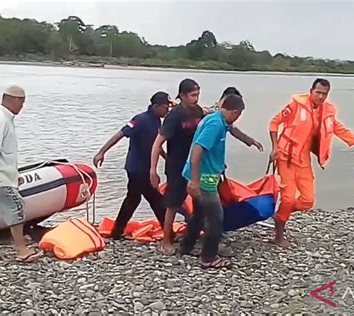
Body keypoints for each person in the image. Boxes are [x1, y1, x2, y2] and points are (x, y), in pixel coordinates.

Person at [150, 79, 262, 256]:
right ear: (183, 96)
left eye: (198, 94)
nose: (196, 98)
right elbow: (158, 143)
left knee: (200, 208)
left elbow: (228, 126)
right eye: (193, 95)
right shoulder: (175, 116)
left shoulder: (200, 112)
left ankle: (193, 242)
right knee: (174, 203)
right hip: (179, 164)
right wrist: (153, 170)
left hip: (199, 165)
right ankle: (166, 241)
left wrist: (249, 141)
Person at [269, 78, 354, 248]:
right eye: (318, 92)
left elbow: (340, 130)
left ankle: (280, 214)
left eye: (324, 94)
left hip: (303, 160)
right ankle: (279, 235)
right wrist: (274, 148)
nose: (321, 97)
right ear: (311, 91)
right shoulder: (295, 106)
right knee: (287, 197)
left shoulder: (326, 113)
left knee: (308, 200)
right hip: (286, 157)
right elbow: (274, 122)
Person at [93, 92, 173, 239]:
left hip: (145, 168)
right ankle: (170, 234)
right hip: (137, 168)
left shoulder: (156, 121)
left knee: (133, 199)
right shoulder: (141, 119)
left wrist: (167, 158)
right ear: (156, 106)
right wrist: (101, 152)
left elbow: (156, 144)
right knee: (155, 199)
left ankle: (116, 232)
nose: (168, 110)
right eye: (166, 107)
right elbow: (120, 134)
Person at [180, 94, 246, 268]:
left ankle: (186, 246)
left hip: (206, 173)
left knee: (199, 214)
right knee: (216, 218)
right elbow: (197, 150)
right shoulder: (216, 124)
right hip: (204, 176)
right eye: (238, 115)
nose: (237, 119)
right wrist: (194, 181)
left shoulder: (216, 119)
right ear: (234, 112)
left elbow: (210, 149)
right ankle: (208, 258)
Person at [0, 85, 43, 262]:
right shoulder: (1, 119)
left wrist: (14, 175)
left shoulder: (5, 118)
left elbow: (6, 153)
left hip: (5, 175)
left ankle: (20, 243)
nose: (22, 107)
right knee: (16, 208)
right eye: (22, 102)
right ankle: (22, 251)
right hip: (0, 177)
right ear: (14, 100)